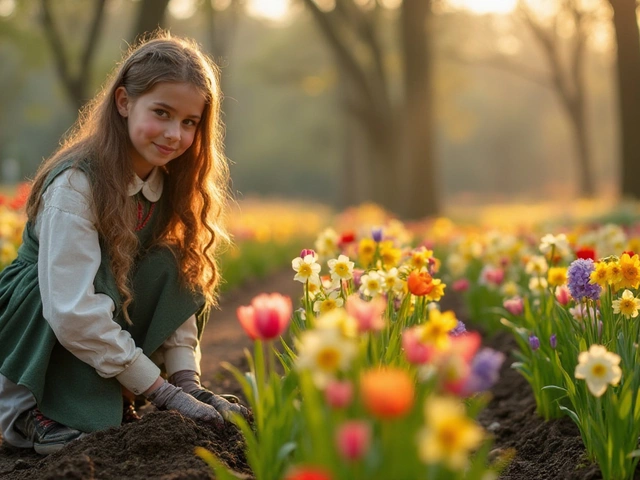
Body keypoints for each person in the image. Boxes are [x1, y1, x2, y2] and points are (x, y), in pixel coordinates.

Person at [0, 32, 250, 455]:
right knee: (75, 288)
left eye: (189, 122)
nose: (174, 134)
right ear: (123, 103)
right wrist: (161, 393)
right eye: (162, 113)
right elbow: (71, 309)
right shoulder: (77, 185)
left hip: (94, 306)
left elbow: (176, 287)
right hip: (38, 317)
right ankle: (24, 410)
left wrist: (186, 384)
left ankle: (107, 398)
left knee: (176, 261)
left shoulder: (168, 181)